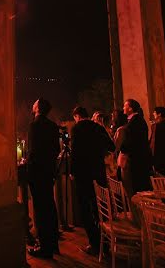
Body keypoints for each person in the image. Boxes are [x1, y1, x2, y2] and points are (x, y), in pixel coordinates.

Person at [70, 106, 114, 256]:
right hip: (98, 173)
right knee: (100, 208)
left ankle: (94, 243)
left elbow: (74, 152)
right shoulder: (97, 127)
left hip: (83, 174)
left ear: (77, 116)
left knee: (85, 209)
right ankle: (106, 241)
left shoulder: (77, 129)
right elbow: (111, 146)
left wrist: (72, 171)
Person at [26, 99, 59, 259]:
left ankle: (44, 248)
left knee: (40, 210)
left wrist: (28, 165)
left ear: (37, 108)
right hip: (48, 173)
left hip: (37, 173)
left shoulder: (34, 126)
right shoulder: (53, 126)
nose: (32, 104)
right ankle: (53, 244)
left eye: (34, 103)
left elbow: (31, 152)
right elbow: (56, 150)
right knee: (50, 207)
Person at [117, 99, 151, 198]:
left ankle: (136, 212)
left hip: (135, 161)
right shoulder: (138, 120)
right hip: (139, 159)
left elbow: (131, 142)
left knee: (134, 190)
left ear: (130, 108)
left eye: (125, 106)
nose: (123, 108)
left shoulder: (134, 122)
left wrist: (121, 148)